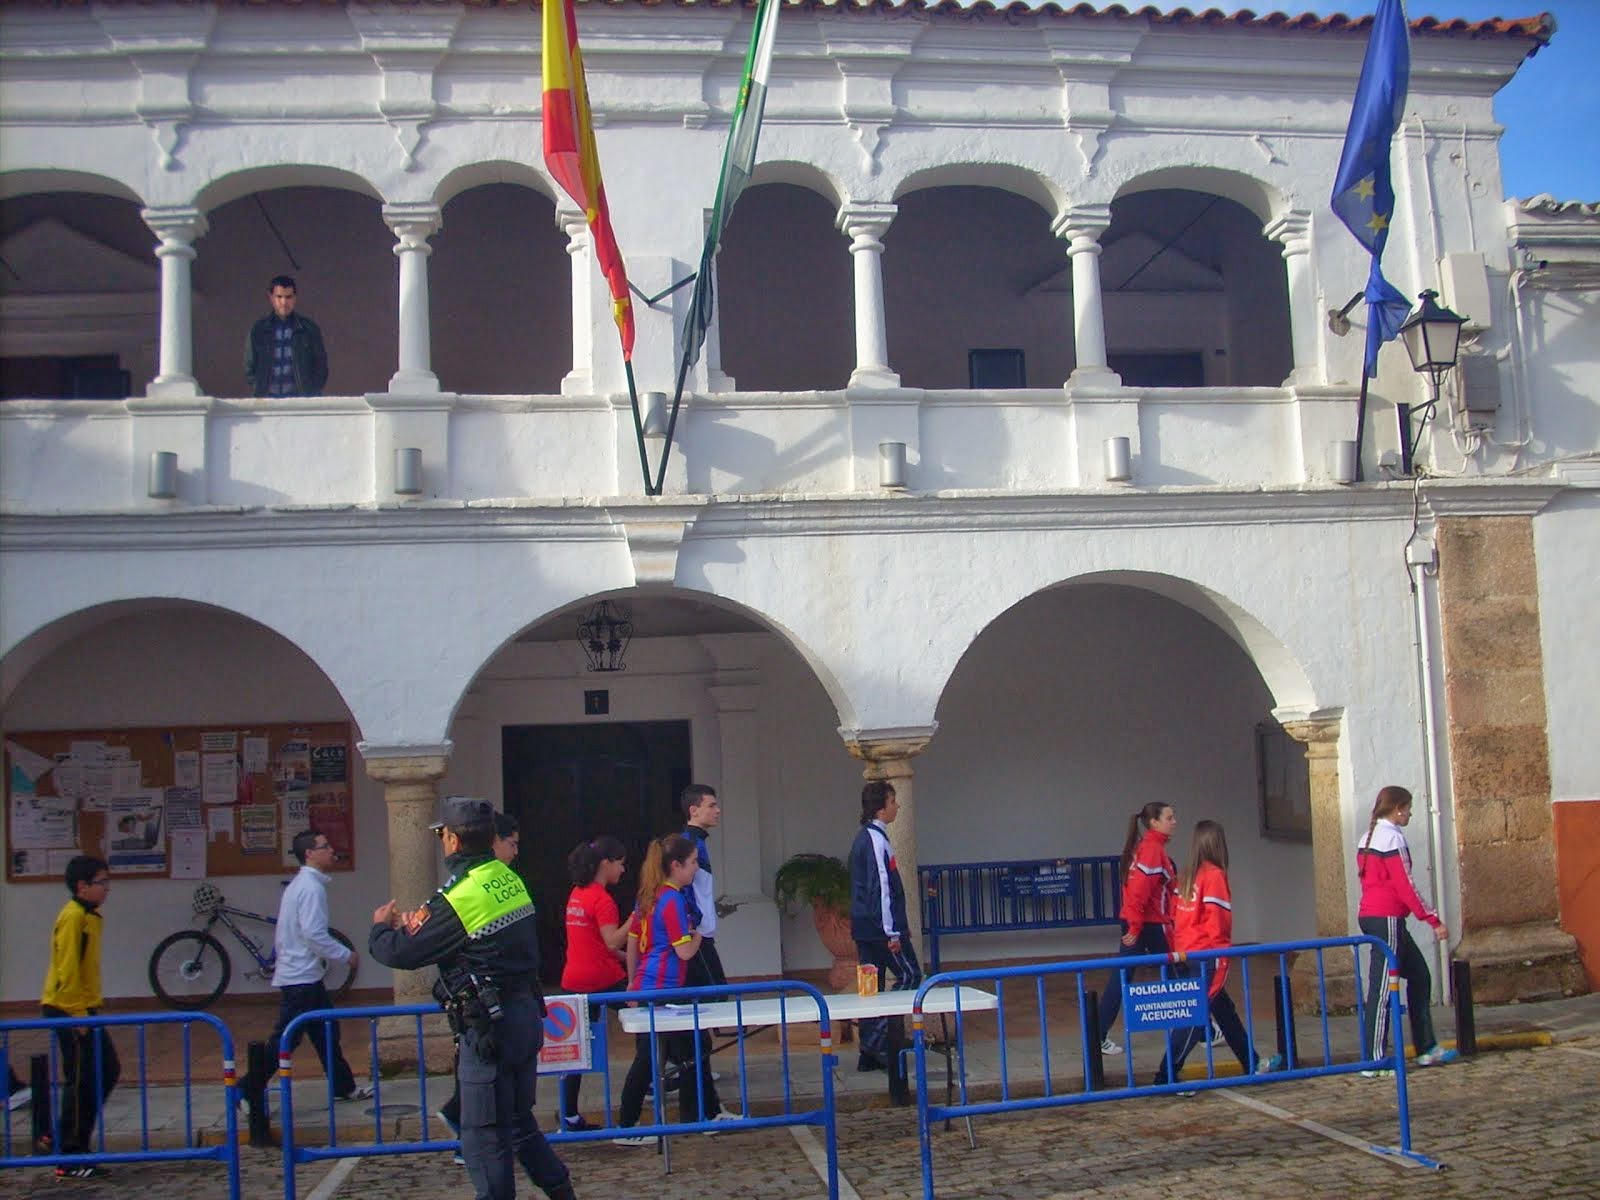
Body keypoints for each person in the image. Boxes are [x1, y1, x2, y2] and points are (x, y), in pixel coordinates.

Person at [369, 796, 576, 1200]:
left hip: (488, 1028)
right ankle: (562, 1192)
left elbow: (400, 953)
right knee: (519, 1124)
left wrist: (381, 928)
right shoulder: (507, 878)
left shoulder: (459, 897)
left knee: (482, 1136)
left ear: (451, 840)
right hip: (524, 1016)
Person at [613, 835, 733, 1143]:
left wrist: (632, 983)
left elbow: (632, 946)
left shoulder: (647, 896)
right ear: (676, 866)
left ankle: (696, 1115)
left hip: (647, 984)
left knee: (664, 1055)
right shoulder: (672, 900)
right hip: (666, 989)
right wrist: (697, 935)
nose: (695, 869)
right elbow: (684, 952)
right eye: (692, 863)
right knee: (679, 1054)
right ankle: (689, 1119)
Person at [1152, 820, 1283, 1089]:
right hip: (1207, 954)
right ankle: (1165, 1075)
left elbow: (1177, 916)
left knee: (1225, 1012)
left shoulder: (1187, 875)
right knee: (1194, 1015)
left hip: (1186, 951)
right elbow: (1218, 921)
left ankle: (1252, 1062)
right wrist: (1223, 955)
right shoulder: (1214, 876)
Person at [245, 830, 369, 1105]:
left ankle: (344, 1087)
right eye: (324, 846)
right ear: (310, 854)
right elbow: (313, 933)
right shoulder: (310, 888)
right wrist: (345, 955)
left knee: (326, 1033)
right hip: (300, 978)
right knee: (286, 1039)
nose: (331, 850)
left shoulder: (304, 885)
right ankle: (247, 1089)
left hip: (306, 975)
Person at [437, 811, 524, 1164]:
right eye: (512, 843)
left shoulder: (505, 882)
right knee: (482, 1085)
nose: (516, 851)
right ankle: (467, 1135)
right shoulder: (469, 887)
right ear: (493, 842)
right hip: (479, 1004)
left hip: (503, 1002)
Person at [1357, 785, 1457, 1075]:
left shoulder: (1369, 836)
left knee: (1420, 976)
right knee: (1382, 987)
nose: (1410, 813)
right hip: (1385, 916)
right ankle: (1373, 1059)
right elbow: (1405, 885)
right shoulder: (1391, 838)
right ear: (1398, 808)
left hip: (1380, 915)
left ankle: (1426, 1047)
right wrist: (1432, 918)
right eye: (1408, 808)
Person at [40, 856, 118, 1180]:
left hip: (83, 1006)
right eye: (101, 883)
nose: (107, 889)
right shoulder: (73, 917)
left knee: (105, 1070)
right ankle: (70, 1154)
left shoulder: (90, 916)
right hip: (69, 1008)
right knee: (83, 1078)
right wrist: (77, 1015)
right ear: (82, 886)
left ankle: (62, 1136)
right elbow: (66, 969)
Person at [848, 780, 922, 1101]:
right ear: (881, 806)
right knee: (910, 975)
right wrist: (892, 932)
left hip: (866, 927)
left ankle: (870, 1047)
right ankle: (883, 1041)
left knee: (870, 986)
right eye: (893, 802)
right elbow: (881, 889)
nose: (897, 807)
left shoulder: (867, 838)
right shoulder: (876, 840)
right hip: (881, 928)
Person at [555, 835, 628, 1133]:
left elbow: (597, 942)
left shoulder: (577, 892)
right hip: (602, 980)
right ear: (606, 864)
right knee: (649, 1019)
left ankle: (569, 1115)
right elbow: (611, 940)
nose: (623, 871)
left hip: (574, 978)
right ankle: (654, 1079)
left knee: (575, 1052)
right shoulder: (601, 899)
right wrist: (636, 919)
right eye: (621, 864)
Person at [1094, 801, 1179, 1056]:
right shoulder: (1152, 849)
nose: (1174, 821)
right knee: (1178, 971)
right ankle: (1202, 1030)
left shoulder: (1147, 848)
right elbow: (1139, 891)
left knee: (1125, 975)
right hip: (1149, 923)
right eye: (1169, 817)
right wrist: (1135, 924)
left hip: (1142, 921)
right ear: (1154, 822)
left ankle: (1097, 1034)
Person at [245, 274, 329, 397]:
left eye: (288, 297)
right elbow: (249, 367)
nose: (284, 302)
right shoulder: (259, 330)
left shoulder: (308, 329)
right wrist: (260, 387)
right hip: (267, 401)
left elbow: (321, 366)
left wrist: (310, 393)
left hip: (300, 401)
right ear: (271, 297)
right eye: (279, 297)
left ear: (295, 298)